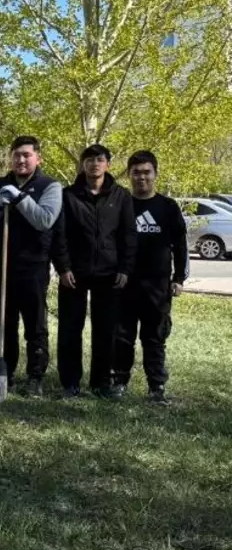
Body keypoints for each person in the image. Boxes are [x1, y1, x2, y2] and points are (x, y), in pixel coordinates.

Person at [51, 144, 136, 399]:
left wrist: (125, 268)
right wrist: (63, 268)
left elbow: (128, 235)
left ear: (108, 164)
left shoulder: (121, 196)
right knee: (69, 329)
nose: (94, 164)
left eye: (100, 159)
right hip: (74, 274)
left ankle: (101, 383)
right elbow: (59, 235)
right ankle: (70, 383)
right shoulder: (68, 195)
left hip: (109, 274)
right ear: (83, 165)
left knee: (106, 330)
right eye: (89, 159)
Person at [0, 135, 63, 397]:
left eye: (26, 155)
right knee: (3, 323)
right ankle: (6, 372)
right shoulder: (0, 184)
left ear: (38, 157)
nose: (20, 160)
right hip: (3, 264)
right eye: (16, 155)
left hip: (34, 266)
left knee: (35, 324)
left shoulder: (50, 186)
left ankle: (35, 376)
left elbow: (45, 220)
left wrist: (20, 199)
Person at [113, 151, 187, 405]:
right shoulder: (121, 203)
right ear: (129, 175)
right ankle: (119, 382)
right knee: (122, 336)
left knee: (154, 337)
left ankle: (156, 387)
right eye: (136, 172)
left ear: (155, 173)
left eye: (146, 172)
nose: (141, 177)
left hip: (157, 285)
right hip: (124, 284)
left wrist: (178, 278)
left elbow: (181, 245)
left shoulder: (167, 207)